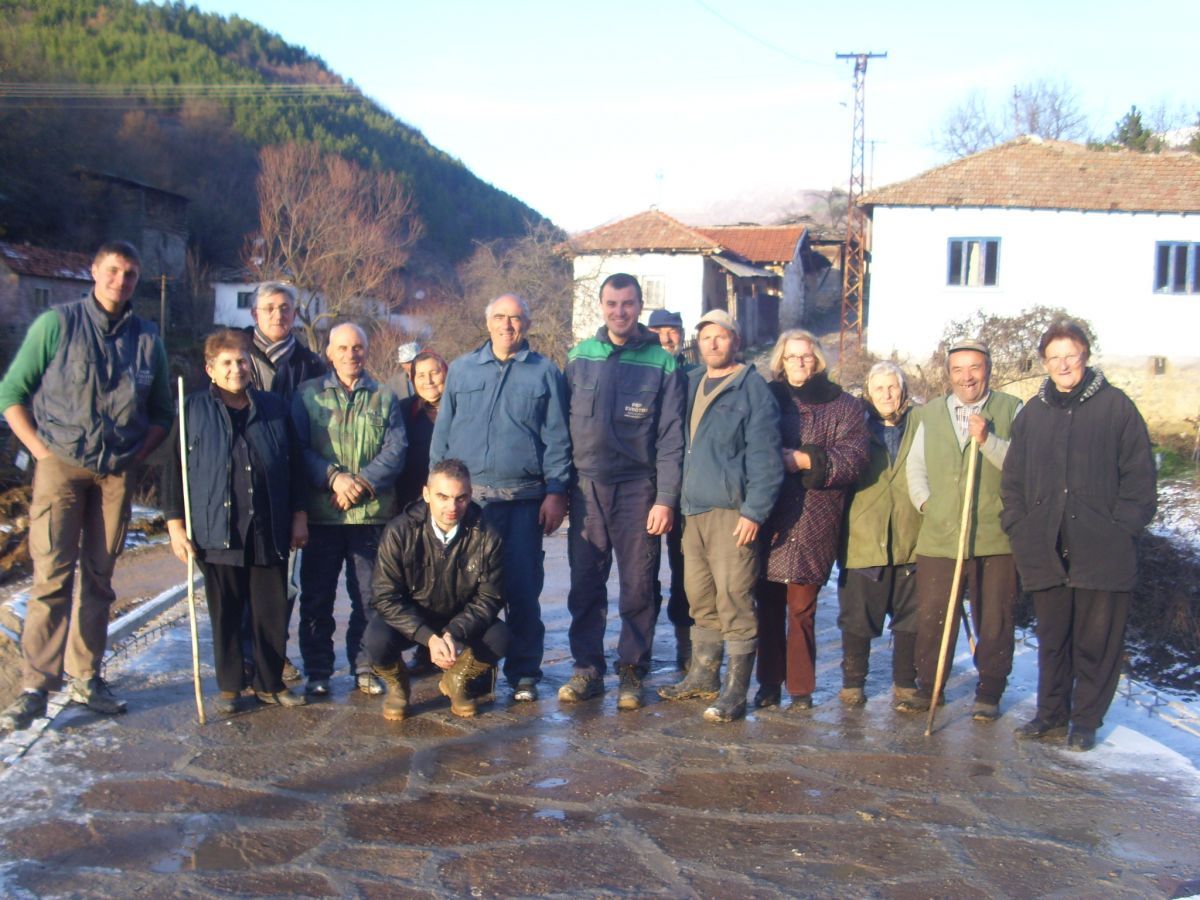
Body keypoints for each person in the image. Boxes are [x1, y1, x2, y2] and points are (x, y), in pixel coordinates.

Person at [0, 240, 172, 732]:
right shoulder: (56, 325)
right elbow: (11, 394)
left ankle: (87, 677)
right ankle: (36, 685)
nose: (122, 280)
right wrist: (39, 451)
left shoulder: (147, 339)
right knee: (52, 576)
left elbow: (160, 412)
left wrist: (138, 455)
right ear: (94, 272)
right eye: (114, 270)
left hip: (117, 472)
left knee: (99, 579)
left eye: (131, 274)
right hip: (61, 467)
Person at [1002, 321, 1156, 751]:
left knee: (1096, 643)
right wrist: (1019, 525)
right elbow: (1012, 480)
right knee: (1053, 640)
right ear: (1044, 363)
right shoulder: (1033, 413)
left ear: (1085, 355)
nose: (1063, 364)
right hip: (1046, 547)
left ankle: (1085, 721)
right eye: (1054, 358)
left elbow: (1141, 480)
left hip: (1101, 549)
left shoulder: (1116, 408)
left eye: (1070, 355)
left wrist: (1120, 528)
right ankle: (1050, 714)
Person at [429, 294, 571, 702]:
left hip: (524, 503)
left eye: (515, 318)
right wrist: (438, 496)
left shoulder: (545, 372)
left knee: (523, 590)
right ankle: (473, 671)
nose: (507, 324)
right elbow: (444, 435)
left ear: (526, 324)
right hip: (470, 505)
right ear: (487, 321)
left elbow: (558, 438)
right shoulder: (461, 369)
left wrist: (556, 491)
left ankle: (524, 672)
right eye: (499, 317)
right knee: (469, 592)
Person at [163, 329, 307, 714]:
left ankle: (269, 682)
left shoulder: (275, 408)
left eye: (241, 360)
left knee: (271, 611)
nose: (236, 368)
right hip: (216, 529)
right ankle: (230, 687)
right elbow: (173, 473)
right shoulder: (191, 410)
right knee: (225, 611)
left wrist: (298, 515)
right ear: (210, 369)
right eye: (226, 362)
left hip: (268, 528)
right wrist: (175, 525)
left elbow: (293, 469)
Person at [560, 273, 685, 709]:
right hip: (586, 486)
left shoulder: (662, 362)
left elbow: (672, 437)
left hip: (638, 489)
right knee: (586, 582)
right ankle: (587, 669)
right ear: (601, 305)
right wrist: (558, 489)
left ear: (639, 305)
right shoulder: (579, 356)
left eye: (628, 304)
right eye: (612, 303)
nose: (620, 311)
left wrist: (666, 497)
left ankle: (632, 670)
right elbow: (560, 428)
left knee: (639, 585)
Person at [657, 310, 783, 722]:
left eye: (721, 336)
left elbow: (766, 459)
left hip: (732, 514)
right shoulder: (690, 382)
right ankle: (702, 676)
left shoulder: (752, 390)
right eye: (706, 336)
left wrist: (754, 512)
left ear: (736, 340)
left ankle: (735, 691)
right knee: (699, 597)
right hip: (692, 512)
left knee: (735, 600)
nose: (712, 343)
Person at [899, 339, 1022, 721]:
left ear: (988, 370)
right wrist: (927, 504)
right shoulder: (931, 414)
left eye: (975, 368)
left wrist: (988, 441)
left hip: (993, 537)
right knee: (936, 615)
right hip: (940, 537)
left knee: (994, 618)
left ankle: (989, 691)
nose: (967, 377)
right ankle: (929, 686)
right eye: (958, 369)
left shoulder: (1011, 409)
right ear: (948, 373)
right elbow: (915, 468)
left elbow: (1023, 466)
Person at [291, 322, 406, 697]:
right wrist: (334, 478)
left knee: (370, 598)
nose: (350, 354)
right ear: (329, 353)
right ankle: (318, 669)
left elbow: (395, 449)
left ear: (366, 351)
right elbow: (299, 449)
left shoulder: (385, 396)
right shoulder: (307, 395)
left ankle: (364, 665)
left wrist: (361, 483)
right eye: (342, 348)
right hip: (322, 515)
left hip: (370, 515)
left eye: (357, 347)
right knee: (317, 598)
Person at [757, 329, 869, 710]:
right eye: (792, 357)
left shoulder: (844, 405)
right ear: (781, 361)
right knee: (768, 605)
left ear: (817, 360)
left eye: (806, 356)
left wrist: (807, 460)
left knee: (802, 608)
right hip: (769, 515)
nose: (799, 363)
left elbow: (853, 456)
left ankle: (801, 688)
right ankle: (768, 682)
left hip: (815, 516)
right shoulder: (766, 399)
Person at [365, 459, 508, 719]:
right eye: (443, 497)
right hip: (414, 617)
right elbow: (385, 597)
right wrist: (427, 637)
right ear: (426, 494)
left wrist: (453, 633)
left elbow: (489, 598)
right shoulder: (399, 531)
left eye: (461, 498)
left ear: (470, 495)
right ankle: (398, 687)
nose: (452, 507)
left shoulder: (488, 535)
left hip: (460, 617)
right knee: (375, 639)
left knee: (501, 637)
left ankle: (457, 680)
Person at [242, 281, 326, 684]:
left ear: (295, 314)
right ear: (256, 313)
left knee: (285, 581)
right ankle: (243, 654)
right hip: (240, 483)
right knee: (240, 574)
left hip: (292, 485)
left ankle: (275, 652)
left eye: (286, 307)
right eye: (270, 307)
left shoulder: (312, 366)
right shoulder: (235, 356)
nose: (278, 314)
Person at [836, 361, 922, 707]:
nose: (887, 395)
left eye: (893, 388)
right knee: (858, 615)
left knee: (910, 616)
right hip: (864, 537)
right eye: (879, 388)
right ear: (868, 392)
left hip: (911, 538)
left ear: (902, 390)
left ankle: (905, 681)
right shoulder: (855, 425)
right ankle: (853, 682)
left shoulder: (921, 424)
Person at [646, 308, 696, 669]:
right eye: (659, 331)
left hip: (688, 489)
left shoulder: (697, 376)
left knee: (686, 572)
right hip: (644, 487)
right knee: (643, 574)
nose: (666, 338)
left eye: (673, 331)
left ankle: (688, 651)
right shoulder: (640, 370)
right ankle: (639, 651)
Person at [394, 349, 448, 510]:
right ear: (412, 379)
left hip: (454, 500)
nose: (429, 381)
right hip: (412, 501)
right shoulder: (403, 410)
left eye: (434, 373)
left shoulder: (463, 408)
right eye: (421, 376)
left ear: (446, 373)